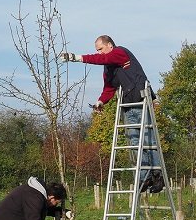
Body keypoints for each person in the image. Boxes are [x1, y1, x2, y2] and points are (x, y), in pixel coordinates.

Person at [60, 35, 164, 193]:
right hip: (128, 106)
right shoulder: (108, 68)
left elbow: (103, 59)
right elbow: (109, 88)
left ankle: (158, 175)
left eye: (100, 49)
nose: (99, 53)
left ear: (109, 45)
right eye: (97, 50)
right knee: (134, 143)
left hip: (142, 102)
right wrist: (100, 101)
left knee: (148, 140)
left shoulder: (120, 52)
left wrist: (76, 58)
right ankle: (145, 176)